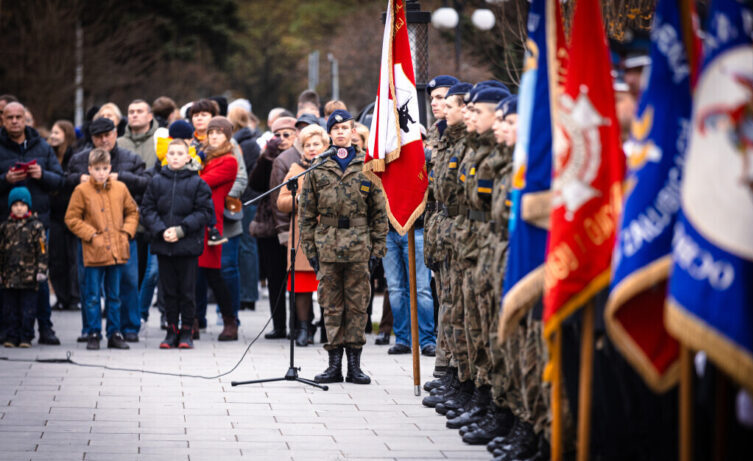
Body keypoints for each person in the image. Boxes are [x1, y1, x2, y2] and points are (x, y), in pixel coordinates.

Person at [299, 109, 388, 385]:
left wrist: (377, 250)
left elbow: (379, 212)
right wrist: (311, 251)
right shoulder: (318, 166)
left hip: (359, 245)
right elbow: (306, 214)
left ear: (353, 132)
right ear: (329, 133)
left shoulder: (368, 165)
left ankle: (355, 365)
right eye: (335, 128)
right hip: (327, 245)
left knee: (358, 306)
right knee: (331, 306)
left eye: (345, 128)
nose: (340, 132)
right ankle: (334, 364)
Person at [66, 117, 149, 343]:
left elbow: (143, 189)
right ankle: (91, 330)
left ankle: (124, 328)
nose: (104, 140)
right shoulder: (79, 162)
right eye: (98, 136)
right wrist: (89, 234)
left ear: (115, 133)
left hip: (121, 239)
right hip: (91, 242)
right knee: (90, 288)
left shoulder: (130, 161)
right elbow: (66, 192)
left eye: (108, 135)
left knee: (126, 284)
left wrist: (127, 232)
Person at [0, 101, 64, 346]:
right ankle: (9, 330)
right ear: (3, 120)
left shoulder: (42, 146)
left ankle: (44, 328)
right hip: (5, 226)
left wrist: (41, 175)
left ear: (26, 119)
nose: (15, 121)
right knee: (6, 279)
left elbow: (60, 181)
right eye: (10, 117)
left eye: (19, 117)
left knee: (38, 277)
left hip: (37, 225)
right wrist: (5, 180)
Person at [140, 139, 214, 349]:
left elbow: (203, 212)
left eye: (179, 153)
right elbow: (147, 209)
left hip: (187, 244)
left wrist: (181, 230)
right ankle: (171, 330)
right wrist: (161, 230)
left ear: (188, 156)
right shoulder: (156, 181)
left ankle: (187, 331)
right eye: (171, 153)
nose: (175, 157)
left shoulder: (197, 182)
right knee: (168, 291)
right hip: (164, 243)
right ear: (165, 156)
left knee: (187, 291)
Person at [276, 124, 327, 347]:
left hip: (328, 234)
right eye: (307, 145)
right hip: (302, 235)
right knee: (302, 285)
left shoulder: (333, 168)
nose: (312, 149)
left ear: (326, 146)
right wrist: (298, 200)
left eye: (316, 144)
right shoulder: (296, 170)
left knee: (328, 283)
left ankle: (327, 328)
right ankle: (304, 328)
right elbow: (281, 202)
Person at [196, 116, 239, 341]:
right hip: (193, 220)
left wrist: (191, 166)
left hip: (211, 223)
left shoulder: (228, 161)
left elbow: (200, 183)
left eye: (219, 133)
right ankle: (191, 321)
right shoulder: (201, 158)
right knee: (193, 274)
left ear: (227, 136)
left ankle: (230, 320)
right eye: (211, 132)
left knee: (214, 274)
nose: (213, 136)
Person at [0, 186, 48, 348]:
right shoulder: (5, 227)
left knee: (28, 309)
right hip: (9, 277)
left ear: (28, 206)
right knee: (9, 310)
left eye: (22, 204)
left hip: (29, 277)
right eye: (15, 205)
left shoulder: (36, 226)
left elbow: (42, 250)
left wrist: (41, 270)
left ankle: (26, 336)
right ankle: (11, 336)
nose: (19, 208)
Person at [229, 106, 262, 312]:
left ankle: (248, 294)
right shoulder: (246, 142)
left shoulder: (246, 144)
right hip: (246, 199)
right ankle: (245, 293)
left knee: (247, 247)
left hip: (247, 200)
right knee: (244, 247)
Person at [47, 120, 80, 311]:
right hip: (54, 214)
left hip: (72, 212)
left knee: (72, 258)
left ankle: (74, 297)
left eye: (57, 132)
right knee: (56, 258)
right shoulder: (48, 155)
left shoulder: (73, 156)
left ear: (66, 135)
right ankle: (61, 296)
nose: (53, 136)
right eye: (52, 132)